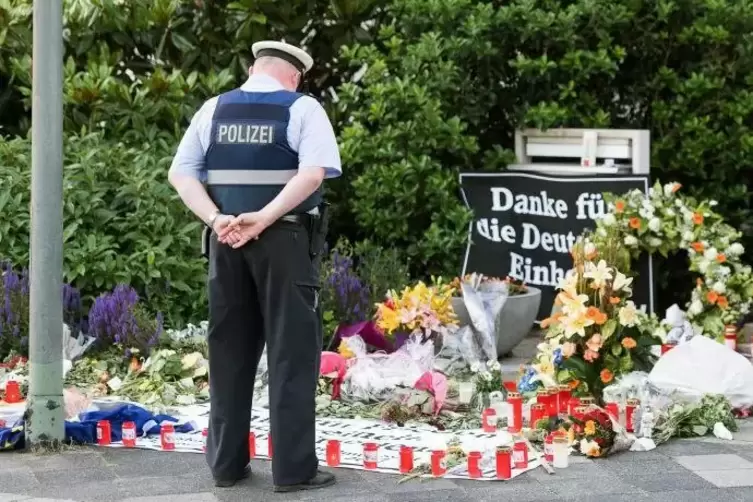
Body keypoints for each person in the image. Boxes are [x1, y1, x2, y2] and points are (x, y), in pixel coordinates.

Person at [167, 40, 341, 493]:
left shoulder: (214, 110)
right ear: (294, 76)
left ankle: (226, 465)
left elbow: (181, 172)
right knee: (291, 353)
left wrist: (217, 218)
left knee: (228, 351)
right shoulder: (303, 109)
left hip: (225, 242)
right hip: (283, 241)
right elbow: (313, 174)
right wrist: (264, 218)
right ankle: (293, 470)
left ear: (252, 69)